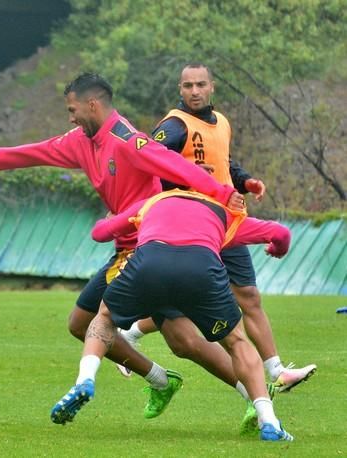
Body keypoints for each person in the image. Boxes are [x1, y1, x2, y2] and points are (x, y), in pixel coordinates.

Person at [0, 72, 244, 419]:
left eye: (73, 109)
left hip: (151, 248)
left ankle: (243, 391)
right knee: (169, 339)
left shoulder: (127, 140)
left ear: (93, 104)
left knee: (170, 338)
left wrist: (223, 193)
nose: (70, 117)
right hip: (127, 250)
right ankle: (170, 381)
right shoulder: (79, 141)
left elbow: (173, 164)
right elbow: (32, 153)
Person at [119, 63, 316, 394]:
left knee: (249, 296)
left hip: (226, 222)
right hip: (190, 227)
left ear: (212, 87)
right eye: (187, 86)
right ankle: (128, 335)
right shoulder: (174, 125)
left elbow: (221, 162)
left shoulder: (221, 121)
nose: (194, 91)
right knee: (190, 299)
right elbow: (149, 159)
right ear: (179, 90)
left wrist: (245, 180)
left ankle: (277, 370)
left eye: (200, 85)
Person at [51, 188, 294, 441]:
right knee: (236, 341)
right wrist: (278, 249)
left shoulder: (153, 201)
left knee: (104, 317)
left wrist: (107, 220)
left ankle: (85, 379)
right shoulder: (223, 213)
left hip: (150, 262)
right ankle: (270, 422)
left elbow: (101, 232)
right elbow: (281, 233)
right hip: (201, 267)